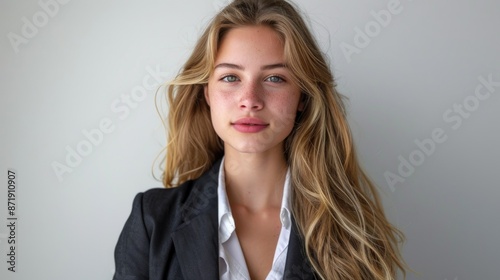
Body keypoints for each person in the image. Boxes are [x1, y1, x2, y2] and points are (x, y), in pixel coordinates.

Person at [113, 0, 406, 279]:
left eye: (274, 78)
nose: (250, 100)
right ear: (206, 92)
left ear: (302, 96)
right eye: (230, 77)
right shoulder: (151, 220)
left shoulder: (353, 228)